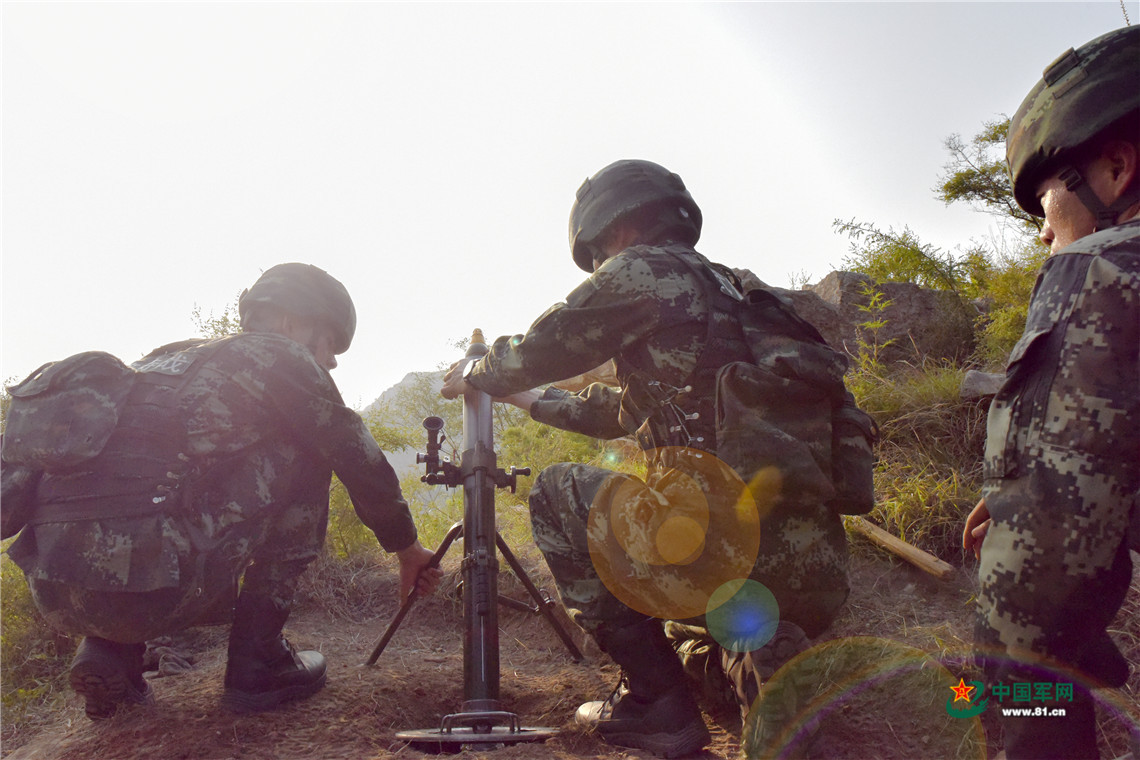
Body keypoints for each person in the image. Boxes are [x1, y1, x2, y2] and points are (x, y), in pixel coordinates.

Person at [441, 160, 849, 758]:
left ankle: (654, 702)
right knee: (695, 641)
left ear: (612, 230)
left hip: (715, 547)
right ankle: (756, 657)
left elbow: (537, 350)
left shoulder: (641, 270)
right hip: (810, 562)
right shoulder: (741, 295)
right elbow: (628, 410)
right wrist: (532, 402)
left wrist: (477, 371)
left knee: (557, 491)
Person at [2, 263, 441, 720]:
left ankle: (110, 651)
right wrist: (406, 548)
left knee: (132, 494)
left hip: (54, 588)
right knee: (314, 446)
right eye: (331, 344)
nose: (330, 362)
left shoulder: (156, 362)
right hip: (158, 593)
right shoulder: (278, 357)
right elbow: (356, 454)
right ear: (292, 322)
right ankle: (260, 658)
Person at [962, 25, 1139, 760]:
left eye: (1044, 207)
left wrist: (990, 687)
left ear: (1117, 167)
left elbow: (1037, 574)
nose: (1042, 237)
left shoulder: (1101, 268)